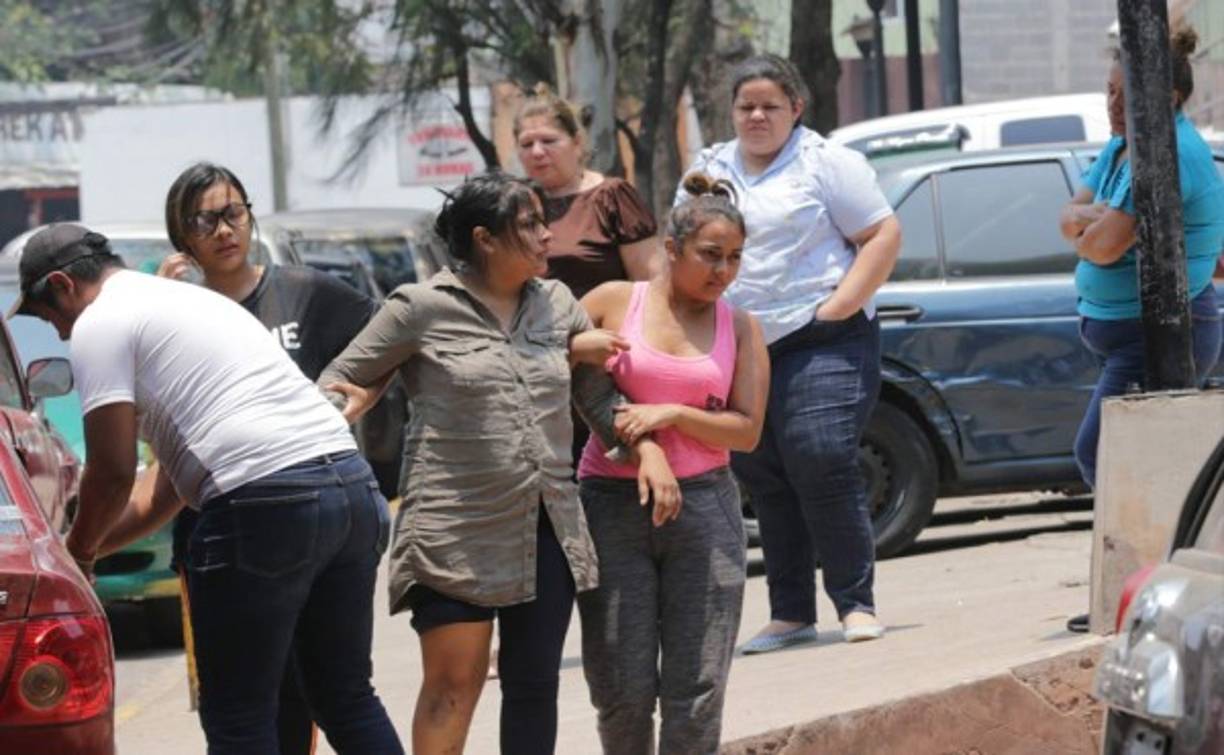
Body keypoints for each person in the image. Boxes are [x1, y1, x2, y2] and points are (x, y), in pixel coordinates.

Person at [317, 171, 679, 755]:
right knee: (453, 687)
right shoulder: (420, 307)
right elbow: (343, 376)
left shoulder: (557, 303)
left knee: (534, 687)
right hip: (452, 527)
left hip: (547, 523)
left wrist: (648, 449)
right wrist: (350, 400)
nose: (546, 236)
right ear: (485, 238)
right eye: (531, 224)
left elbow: (596, 396)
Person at [9, 223, 402, 754]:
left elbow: (112, 470)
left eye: (48, 316)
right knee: (345, 696)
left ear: (62, 284)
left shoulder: (99, 323)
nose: (58, 333)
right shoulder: (189, 305)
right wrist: (78, 556)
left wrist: (77, 550)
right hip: (350, 490)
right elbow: (163, 491)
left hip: (261, 503)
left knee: (238, 713)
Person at [678, 54, 902, 653]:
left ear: (795, 109)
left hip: (823, 335)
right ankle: (791, 613)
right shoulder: (708, 168)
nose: (756, 116)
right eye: (745, 106)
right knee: (764, 470)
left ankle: (855, 603)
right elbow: (682, 244)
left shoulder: (826, 162)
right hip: (743, 341)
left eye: (769, 106)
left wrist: (840, 306)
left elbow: (882, 234)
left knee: (820, 454)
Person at [157, 161, 379, 754]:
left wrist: (357, 394)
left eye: (234, 213)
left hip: (310, 515)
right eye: (205, 220)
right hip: (218, 523)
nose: (224, 230)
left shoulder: (304, 291)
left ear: (251, 215)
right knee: (248, 699)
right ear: (182, 236)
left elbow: (387, 339)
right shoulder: (176, 313)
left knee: (323, 689)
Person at [575, 173, 769, 753]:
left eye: (735, 258)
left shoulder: (741, 326)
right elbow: (578, 382)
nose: (723, 271)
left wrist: (671, 415)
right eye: (710, 255)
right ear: (671, 248)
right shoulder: (614, 302)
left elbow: (747, 431)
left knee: (698, 686)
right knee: (621, 688)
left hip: (706, 506)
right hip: (612, 505)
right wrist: (645, 448)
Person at [1059, 26, 1223, 489]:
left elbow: (1101, 246)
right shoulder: (1123, 142)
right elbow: (1065, 215)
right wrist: (1088, 222)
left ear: (1166, 97)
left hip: (1156, 332)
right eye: (1109, 91)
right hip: (1124, 330)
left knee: (1100, 454)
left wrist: (1085, 226)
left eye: (1125, 95)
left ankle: (1151, 559)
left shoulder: (1163, 153)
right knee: (1139, 464)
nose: (1112, 105)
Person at [515, 86, 663, 468]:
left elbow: (652, 284)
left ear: (577, 142)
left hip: (612, 362)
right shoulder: (514, 205)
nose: (536, 152)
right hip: (540, 360)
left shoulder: (611, 197)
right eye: (526, 143)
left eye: (548, 140)